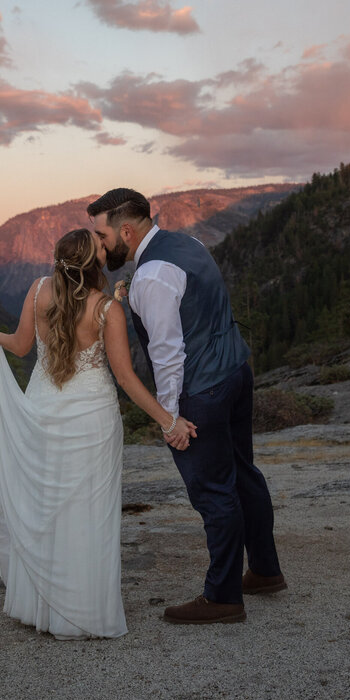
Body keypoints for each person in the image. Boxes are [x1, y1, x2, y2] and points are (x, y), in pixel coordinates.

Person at [0, 228, 196, 640]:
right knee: (87, 512)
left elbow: (20, 346)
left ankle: (37, 607)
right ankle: (84, 612)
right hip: (90, 418)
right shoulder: (106, 310)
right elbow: (126, 378)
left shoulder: (39, 291)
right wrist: (169, 420)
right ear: (93, 264)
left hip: (42, 407)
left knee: (46, 508)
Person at [87, 188, 285, 625]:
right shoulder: (187, 244)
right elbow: (201, 305)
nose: (99, 245)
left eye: (101, 235)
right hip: (235, 372)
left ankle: (223, 597)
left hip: (203, 392)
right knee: (244, 475)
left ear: (125, 230)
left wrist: (170, 418)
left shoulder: (152, 275)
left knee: (214, 493)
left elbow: (168, 354)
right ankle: (266, 571)